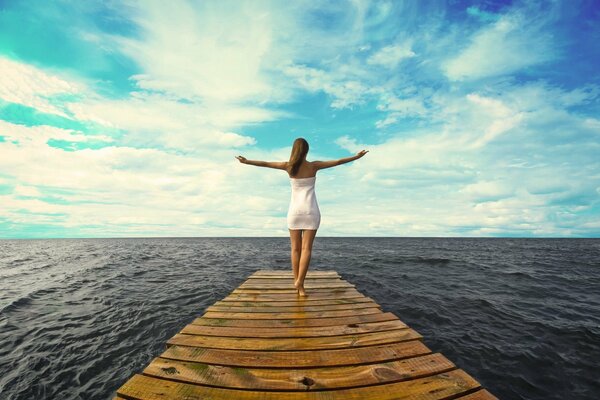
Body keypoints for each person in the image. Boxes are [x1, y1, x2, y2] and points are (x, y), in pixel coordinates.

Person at [235, 138, 368, 296]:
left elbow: (265, 163)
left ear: (294, 150)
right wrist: (356, 157)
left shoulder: (288, 166)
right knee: (306, 249)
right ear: (306, 151)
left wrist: (246, 161)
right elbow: (338, 161)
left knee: (295, 249)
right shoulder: (314, 166)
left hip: (294, 212)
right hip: (311, 210)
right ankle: (300, 284)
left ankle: (297, 282)